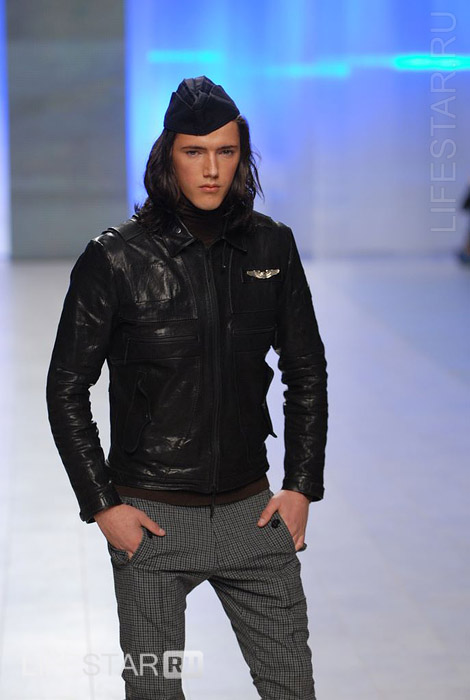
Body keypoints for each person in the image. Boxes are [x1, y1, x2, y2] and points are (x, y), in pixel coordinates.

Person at [46, 75, 328, 700]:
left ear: (242, 156)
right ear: (167, 155)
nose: (211, 169)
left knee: (292, 689)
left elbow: (306, 369)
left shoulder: (272, 246)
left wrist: (302, 486)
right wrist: (103, 506)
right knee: (154, 691)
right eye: (194, 152)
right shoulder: (114, 259)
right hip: (151, 520)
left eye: (226, 152)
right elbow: (66, 387)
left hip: (252, 515)